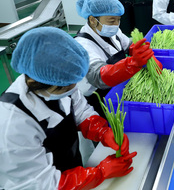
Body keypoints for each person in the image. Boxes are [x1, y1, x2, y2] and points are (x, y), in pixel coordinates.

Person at [0, 27, 137, 190]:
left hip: (71, 170)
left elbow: (81, 110)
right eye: (66, 87)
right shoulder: (12, 124)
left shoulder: (58, 84)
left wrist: (102, 131)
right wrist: (100, 173)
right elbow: (41, 184)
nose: (73, 89)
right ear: (41, 82)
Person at [75, 0, 162, 118]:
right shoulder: (82, 45)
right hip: (100, 98)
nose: (116, 25)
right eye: (111, 21)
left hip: (118, 87)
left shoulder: (113, 31)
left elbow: (129, 46)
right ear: (93, 20)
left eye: (118, 19)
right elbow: (98, 76)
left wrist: (147, 57)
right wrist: (133, 63)